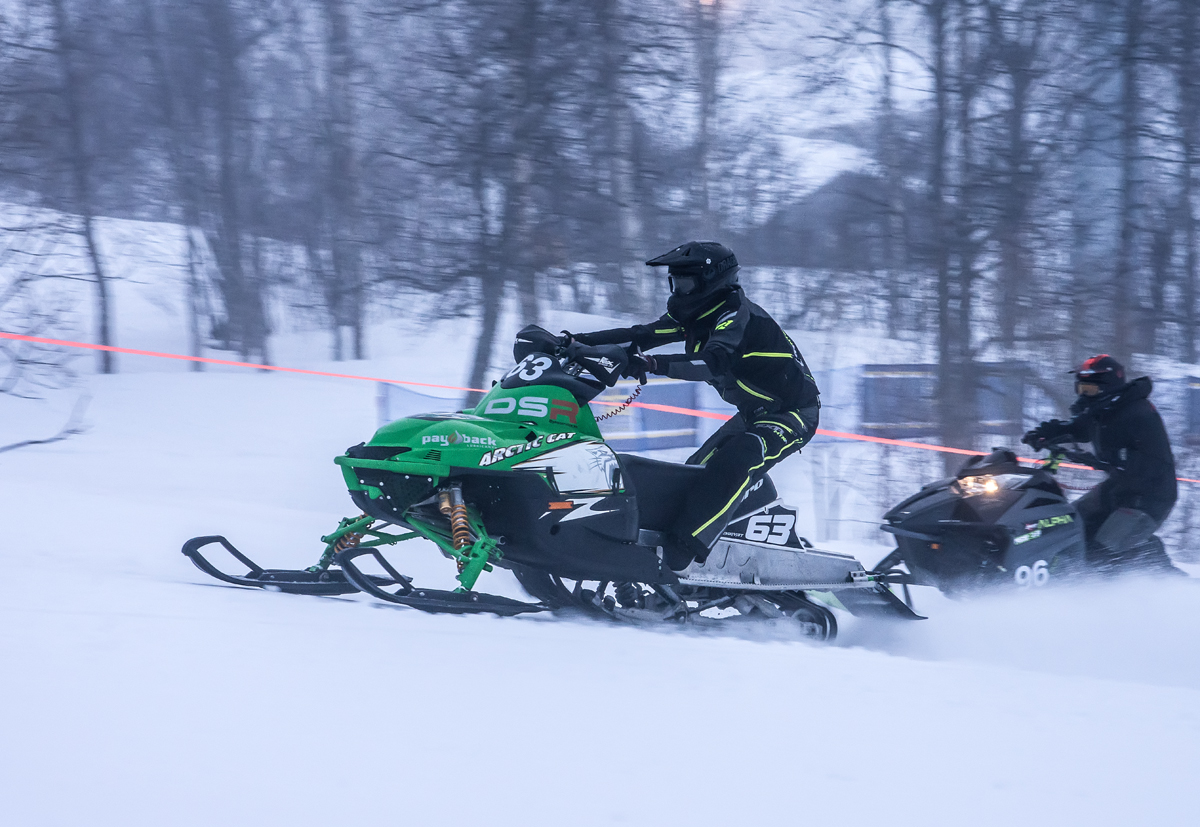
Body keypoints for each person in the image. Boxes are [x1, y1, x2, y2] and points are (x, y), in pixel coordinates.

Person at [567, 241, 820, 570]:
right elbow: (641, 334)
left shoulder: (735, 316)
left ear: (712, 280)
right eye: (675, 282)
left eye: (686, 282)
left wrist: (655, 364)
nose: (679, 290)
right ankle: (675, 539)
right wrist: (575, 343)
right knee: (693, 474)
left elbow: (712, 362)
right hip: (752, 414)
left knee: (740, 457)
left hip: (793, 413)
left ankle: (685, 550)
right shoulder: (695, 315)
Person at [1021, 354, 1180, 574]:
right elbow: (1079, 428)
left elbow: (1151, 464)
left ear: (1108, 388)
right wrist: (1050, 433)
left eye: (1090, 390)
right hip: (1117, 489)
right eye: (1081, 389)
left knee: (1102, 551)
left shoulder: (1139, 414)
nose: (1085, 396)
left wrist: (1108, 461)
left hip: (1149, 496)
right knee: (1068, 526)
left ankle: (1162, 578)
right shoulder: (1105, 411)